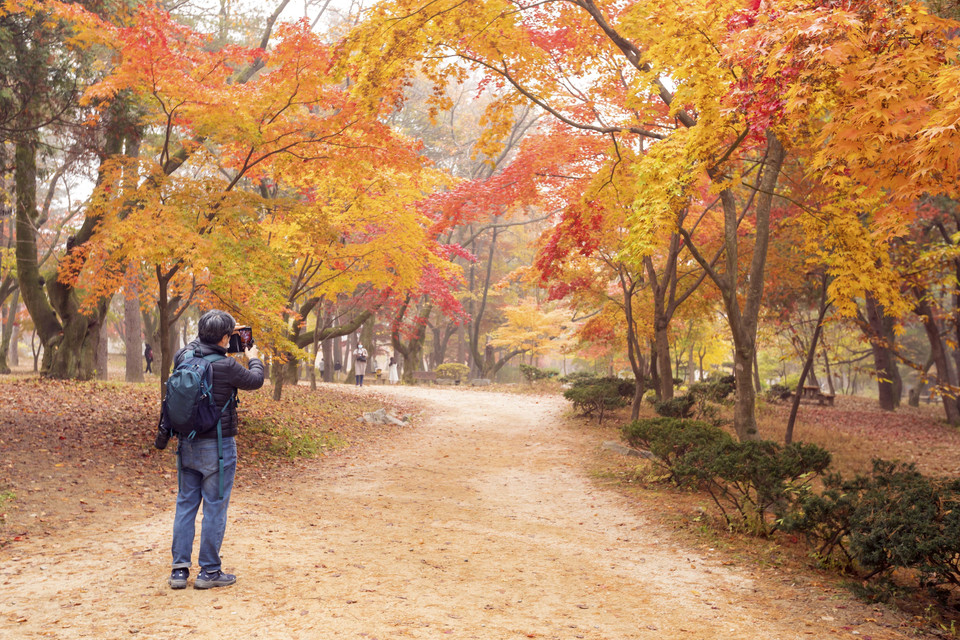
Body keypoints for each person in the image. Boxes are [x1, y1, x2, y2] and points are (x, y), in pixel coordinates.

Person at [163, 310, 263, 590]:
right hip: (218, 447)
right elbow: (255, 380)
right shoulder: (228, 366)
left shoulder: (183, 357)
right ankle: (209, 572)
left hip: (187, 445)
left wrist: (212, 339)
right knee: (215, 508)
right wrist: (253, 355)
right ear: (224, 336)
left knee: (185, 505)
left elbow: (193, 350)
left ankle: (179, 571)